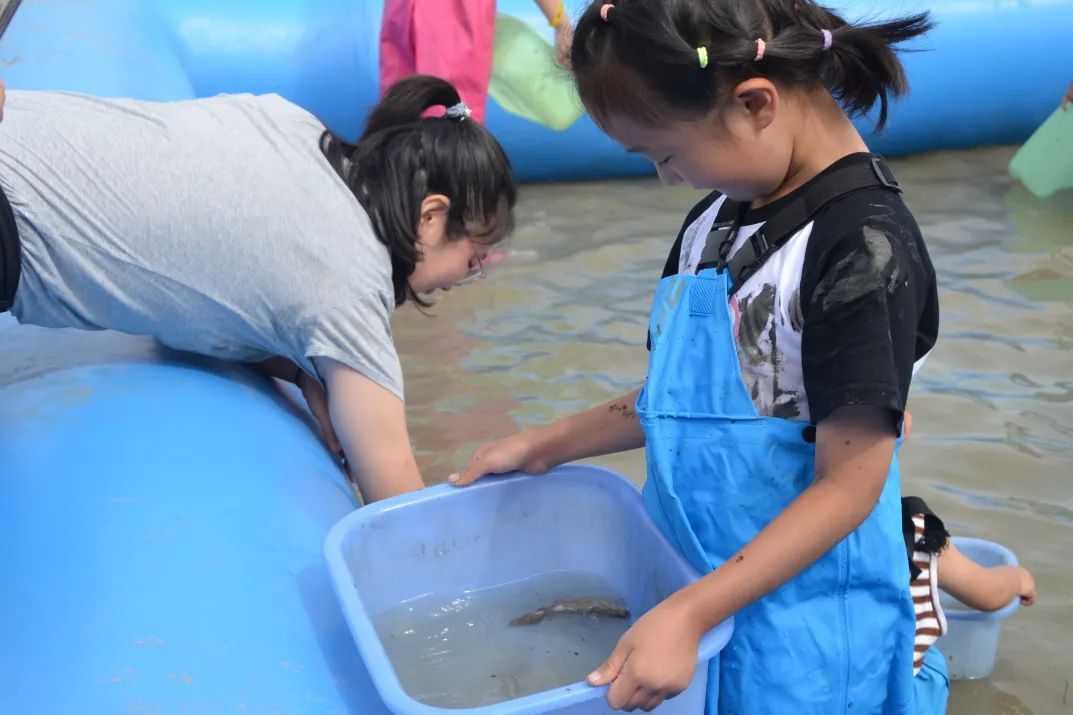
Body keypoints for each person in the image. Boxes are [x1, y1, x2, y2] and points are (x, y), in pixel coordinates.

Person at [451, 0, 940, 712]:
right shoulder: (715, 219)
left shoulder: (861, 251)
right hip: (690, 593)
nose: (667, 177)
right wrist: (544, 445)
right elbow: (684, 401)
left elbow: (849, 487)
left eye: (665, 154)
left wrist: (689, 612)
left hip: (801, 640)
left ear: (755, 104)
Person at [0, 75, 517, 504]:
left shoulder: (291, 122)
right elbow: (400, 508)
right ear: (431, 217)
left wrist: (301, 372)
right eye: (472, 261)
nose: (462, 280)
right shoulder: (350, 285)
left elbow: (197, 299)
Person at [902, 496, 1037, 713]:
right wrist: (1019, 579)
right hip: (901, 696)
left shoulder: (841, 537)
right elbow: (990, 592)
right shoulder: (910, 527)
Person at [380, 0, 575, 124]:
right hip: (455, 20)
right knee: (449, 124)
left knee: (399, 116)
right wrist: (561, 22)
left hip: (404, 12)